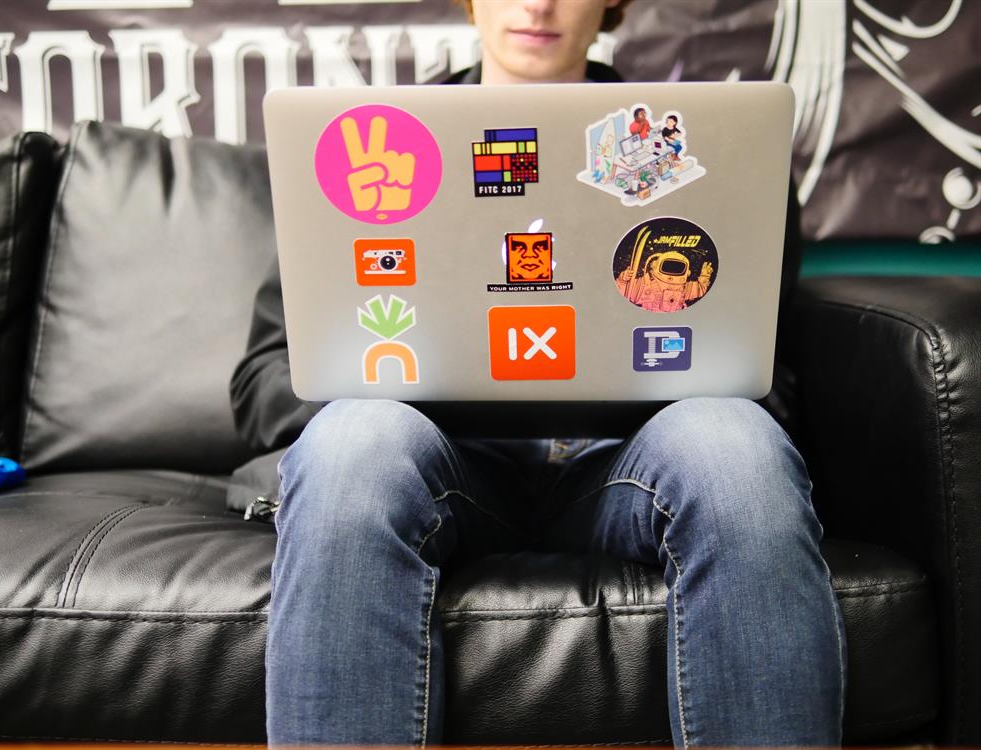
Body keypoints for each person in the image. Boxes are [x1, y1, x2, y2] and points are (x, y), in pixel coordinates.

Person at [229, 0, 846, 746]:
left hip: (624, 468)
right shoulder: (370, 145)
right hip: (442, 469)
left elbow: (766, 372)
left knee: (735, 444)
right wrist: (399, 388)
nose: (538, 4)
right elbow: (265, 380)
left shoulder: (708, 147)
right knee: (354, 442)